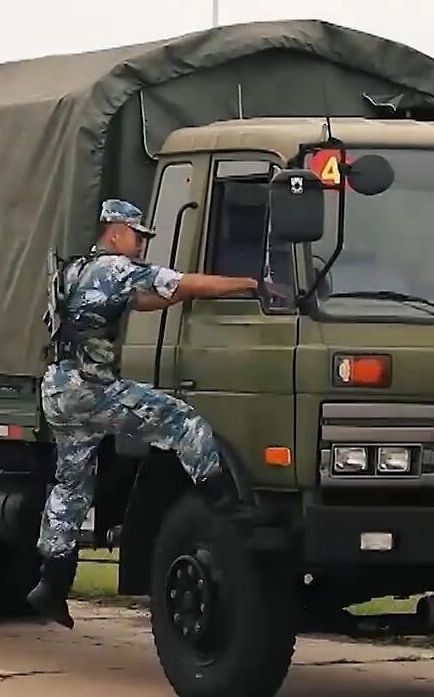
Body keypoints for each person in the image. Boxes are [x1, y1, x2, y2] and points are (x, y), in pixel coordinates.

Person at [29, 199, 267, 628]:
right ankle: (227, 507)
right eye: (137, 236)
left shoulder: (77, 270)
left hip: (59, 389)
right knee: (181, 420)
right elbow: (179, 285)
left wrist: (169, 297)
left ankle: (52, 583)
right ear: (115, 231)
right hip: (93, 389)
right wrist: (247, 284)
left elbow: (144, 300)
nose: (140, 245)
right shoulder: (116, 268)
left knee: (72, 484)